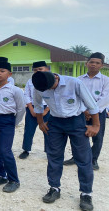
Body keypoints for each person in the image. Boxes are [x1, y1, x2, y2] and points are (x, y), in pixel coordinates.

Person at [32, 71, 100, 211]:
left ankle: (86, 194)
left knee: (83, 158)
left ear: (56, 77)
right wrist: (40, 122)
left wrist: (96, 125)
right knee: (54, 156)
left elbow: (92, 105)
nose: (50, 90)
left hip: (76, 122)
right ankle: (54, 188)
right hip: (55, 122)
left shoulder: (74, 83)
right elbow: (38, 105)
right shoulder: (40, 86)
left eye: (52, 87)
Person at [63, 52, 109, 171]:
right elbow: (75, 97)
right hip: (80, 112)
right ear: (86, 63)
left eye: (97, 63)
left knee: (97, 136)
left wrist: (92, 111)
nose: (94, 64)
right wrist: (85, 111)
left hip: (98, 112)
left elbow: (105, 98)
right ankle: (76, 157)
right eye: (91, 62)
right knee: (77, 135)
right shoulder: (78, 80)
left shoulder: (106, 80)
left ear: (101, 65)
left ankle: (93, 159)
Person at [0, 61, 25, 193]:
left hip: (7, 120)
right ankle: (0, 175)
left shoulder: (15, 90)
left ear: (9, 74)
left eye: (2, 71)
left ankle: (13, 180)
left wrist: (13, 123)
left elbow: (21, 109)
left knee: (5, 150)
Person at [19, 61, 50, 159]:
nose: (38, 71)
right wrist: (31, 109)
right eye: (35, 70)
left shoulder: (51, 80)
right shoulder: (30, 81)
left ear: (47, 69)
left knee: (48, 130)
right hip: (32, 108)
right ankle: (26, 149)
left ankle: (49, 151)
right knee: (29, 130)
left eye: (40, 69)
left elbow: (55, 97)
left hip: (48, 109)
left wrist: (46, 110)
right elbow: (26, 95)